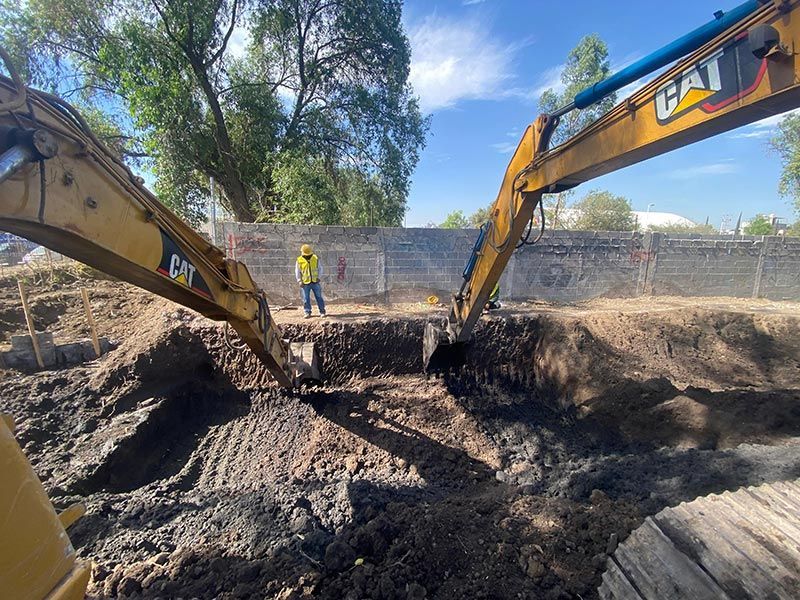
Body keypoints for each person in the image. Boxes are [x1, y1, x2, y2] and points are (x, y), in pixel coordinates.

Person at [296, 244, 326, 318]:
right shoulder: (299, 260)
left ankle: (322, 311)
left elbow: (320, 268)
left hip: (315, 282)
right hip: (305, 283)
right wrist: (299, 280)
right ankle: (307, 312)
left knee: (319, 297)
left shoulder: (315, 258)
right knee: (306, 298)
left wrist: (319, 277)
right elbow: (297, 271)